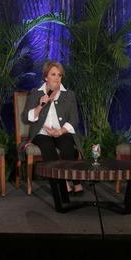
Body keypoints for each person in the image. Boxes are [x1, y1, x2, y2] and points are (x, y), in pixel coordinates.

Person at [22, 61, 83, 194]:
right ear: (45, 77)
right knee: (47, 147)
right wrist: (40, 105)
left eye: (59, 75)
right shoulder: (35, 93)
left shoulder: (69, 95)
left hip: (61, 131)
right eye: (53, 74)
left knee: (67, 145)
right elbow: (26, 118)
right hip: (41, 133)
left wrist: (60, 131)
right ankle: (62, 183)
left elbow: (74, 120)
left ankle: (75, 180)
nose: (57, 78)